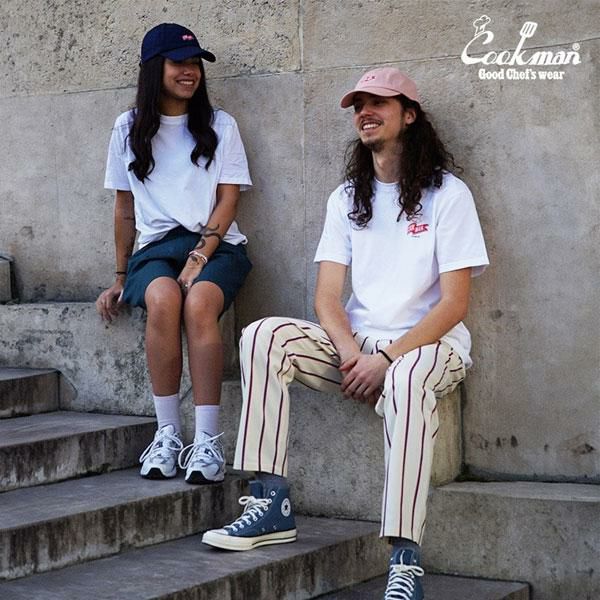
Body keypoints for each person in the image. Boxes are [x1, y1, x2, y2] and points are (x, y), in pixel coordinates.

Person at [201, 67, 489, 599]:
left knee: (405, 381)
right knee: (262, 335)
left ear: (410, 115)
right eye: (359, 105)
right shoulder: (346, 197)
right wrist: (354, 352)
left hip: (429, 349)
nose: (365, 112)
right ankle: (270, 500)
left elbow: (454, 304)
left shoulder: (448, 195)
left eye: (379, 102)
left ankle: (405, 559)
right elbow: (326, 298)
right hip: (358, 350)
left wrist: (387, 359)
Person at [96, 23, 252, 486]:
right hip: (156, 251)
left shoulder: (221, 125)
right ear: (153, 68)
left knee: (199, 303)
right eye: (178, 62)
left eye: (195, 63)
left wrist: (199, 257)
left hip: (218, 246)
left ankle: (207, 441)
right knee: (163, 299)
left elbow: (228, 200)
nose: (190, 72)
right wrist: (121, 276)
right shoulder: (126, 129)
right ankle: (167, 434)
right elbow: (124, 208)